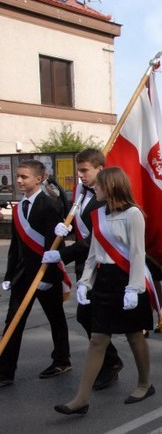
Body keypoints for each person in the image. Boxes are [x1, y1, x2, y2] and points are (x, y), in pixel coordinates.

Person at [55, 167, 154, 415]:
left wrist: (134, 288)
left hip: (128, 279)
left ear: (110, 186)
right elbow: (93, 253)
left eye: (98, 185)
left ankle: (145, 384)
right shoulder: (98, 214)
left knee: (134, 335)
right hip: (105, 281)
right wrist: (85, 282)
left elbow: (137, 253)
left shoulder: (133, 214)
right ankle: (81, 399)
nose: (94, 188)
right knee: (97, 339)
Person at [42, 148, 124, 390]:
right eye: (79, 170)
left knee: (94, 316)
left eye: (85, 170)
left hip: (101, 263)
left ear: (100, 169)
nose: (81, 175)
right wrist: (65, 227)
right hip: (83, 264)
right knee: (86, 315)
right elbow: (75, 218)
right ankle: (110, 360)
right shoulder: (80, 191)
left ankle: (110, 364)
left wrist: (62, 254)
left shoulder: (109, 196)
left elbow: (97, 238)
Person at [0, 159, 70, 388]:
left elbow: (54, 244)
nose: (19, 180)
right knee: (13, 321)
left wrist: (48, 278)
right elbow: (16, 245)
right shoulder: (18, 208)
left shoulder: (50, 205)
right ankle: (5, 371)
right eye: (18, 176)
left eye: (24, 177)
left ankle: (62, 360)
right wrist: (9, 275)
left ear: (39, 179)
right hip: (23, 275)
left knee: (55, 318)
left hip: (45, 273)